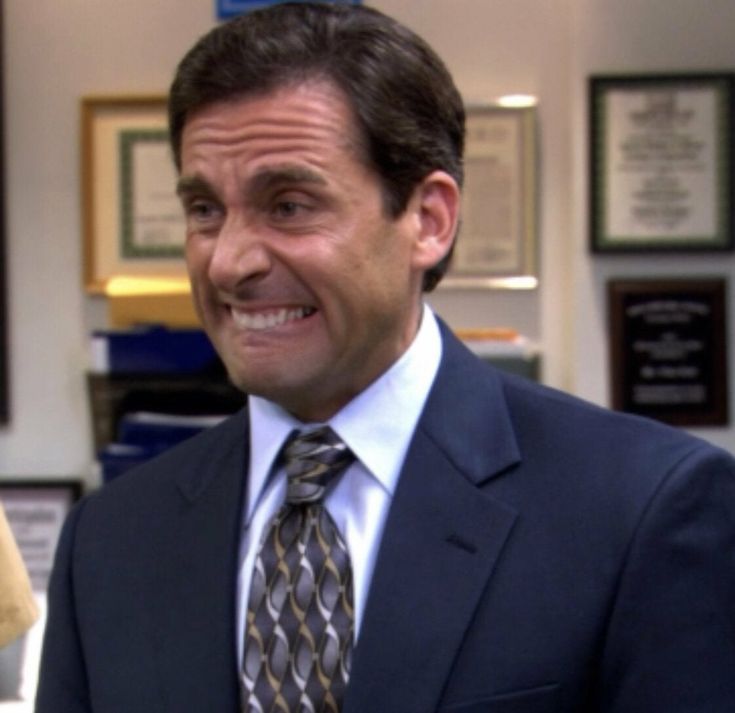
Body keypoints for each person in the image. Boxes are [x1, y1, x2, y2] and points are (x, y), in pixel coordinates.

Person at [36, 3, 735, 712]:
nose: (228, 262)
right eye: (204, 209)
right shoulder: (110, 539)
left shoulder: (641, 510)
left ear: (428, 220)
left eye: (288, 205)